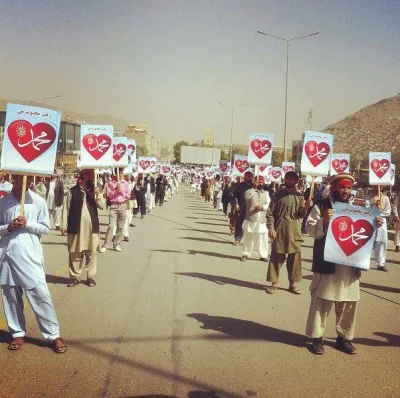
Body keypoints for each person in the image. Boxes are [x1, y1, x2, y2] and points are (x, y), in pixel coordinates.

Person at [305, 173, 383, 355]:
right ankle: (317, 338)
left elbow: (363, 234)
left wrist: (375, 223)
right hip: (326, 265)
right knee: (321, 302)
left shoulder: (357, 209)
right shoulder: (321, 206)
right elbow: (310, 229)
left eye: (348, 188)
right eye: (342, 187)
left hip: (350, 266)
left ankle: (344, 339)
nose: (346, 191)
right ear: (333, 188)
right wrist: (324, 220)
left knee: (348, 304)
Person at [0, 174, 67, 353]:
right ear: (13, 178)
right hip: (7, 256)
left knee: (40, 294)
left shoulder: (38, 201)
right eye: (20, 178)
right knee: (10, 296)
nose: (24, 182)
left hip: (30, 255)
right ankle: (17, 333)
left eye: (28, 179)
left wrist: (28, 224)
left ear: (32, 180)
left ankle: (53, 335)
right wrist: (9, 227)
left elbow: (45, 228)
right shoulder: (3, 202)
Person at [265, 171, 306, 294]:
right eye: (287, 178)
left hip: (294, 233)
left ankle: (292, 284)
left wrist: (306, 207)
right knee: (276, 258)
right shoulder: (277, 196)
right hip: (279, 231)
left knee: (294, 260)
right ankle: (274, 283)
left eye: (292, 179)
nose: (289, 181)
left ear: (296, 181)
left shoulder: (299, 197)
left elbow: (300, 214)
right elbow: (270, 214)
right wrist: (271, 228)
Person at [61, 169, 104, 287]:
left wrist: (98, 194)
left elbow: (102, 206)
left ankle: (90, 277)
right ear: (82, 177)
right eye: (89, 175)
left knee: (91, 253)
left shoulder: (94, 191)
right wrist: (63, 224)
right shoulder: (72, 191)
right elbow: (66, 208)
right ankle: (75, 277)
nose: (91, 177)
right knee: (75, 253)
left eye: (92, 175)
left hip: (92, 228)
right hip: (76, 227)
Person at [240, 177, 270, 262]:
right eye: (258, 182)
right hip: (251, 218)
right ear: (254, 182)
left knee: (263, 237)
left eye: (261, 182)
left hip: (262, 219)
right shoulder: (250, 192)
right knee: (249, 237)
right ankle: (246, 254)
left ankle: (263, 255)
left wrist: (262, 207)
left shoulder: (266, 193)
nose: (260, 183)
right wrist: (253, 188)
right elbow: (247, 196)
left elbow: (268, 204)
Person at [100, 169, 130, 252]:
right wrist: (115, 190)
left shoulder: (126, 184)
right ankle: (105, 244)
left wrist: (122, 192)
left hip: (123, 205)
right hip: (114, 206)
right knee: (111, 225)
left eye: (121, 173)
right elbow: (109, 196)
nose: (119, 174)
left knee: (120, 227)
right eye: (118, 173)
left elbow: (128, 196)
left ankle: (117, 244)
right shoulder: (110, 183)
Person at [368, 187, 391, 271]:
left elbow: (388, 211)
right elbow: (366, 208)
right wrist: (374, 206)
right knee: (368, 242)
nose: (377, 188)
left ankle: (380, 264)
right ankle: (365, 262)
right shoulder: (368, 197)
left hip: (381, 222)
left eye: (379, 186)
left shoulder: (385, 198)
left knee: (381, 243)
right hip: (370, 220)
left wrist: (379, 210)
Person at [233, 171, 254, 245]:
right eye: (247, 176)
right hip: (241, 207)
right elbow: (235, 195)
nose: (249, 178)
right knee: (239, 223)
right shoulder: (240, 185)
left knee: (249, 224)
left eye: (250, 176)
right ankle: (237, 238)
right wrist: (236, 204)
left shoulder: (254, 186)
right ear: (244, 177)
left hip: (251, 208)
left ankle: (246, 239)